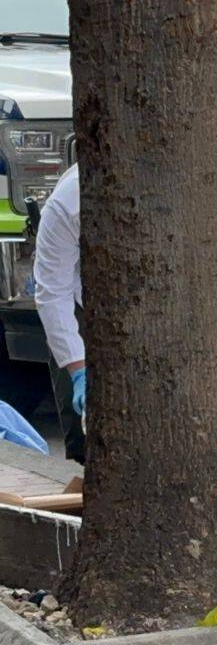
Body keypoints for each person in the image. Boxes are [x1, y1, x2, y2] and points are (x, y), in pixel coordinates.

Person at [31, 164, 87, 463]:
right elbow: (53, 291)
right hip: (82, 301)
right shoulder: (69, 201)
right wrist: (78, 371)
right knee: (84, 432)